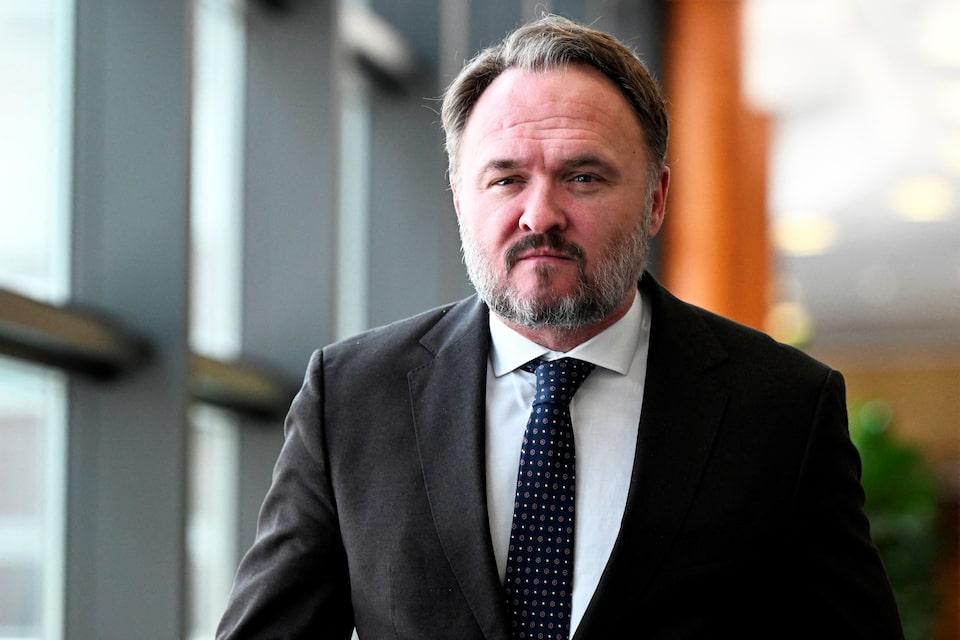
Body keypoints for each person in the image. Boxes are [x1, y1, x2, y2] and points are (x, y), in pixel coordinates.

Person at [216, 15, 903, 639]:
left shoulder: (782, 408)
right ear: (459, 199)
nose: (539, 215)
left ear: (656, 199)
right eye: (506, 179)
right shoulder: (353, 398)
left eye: (583, 177)